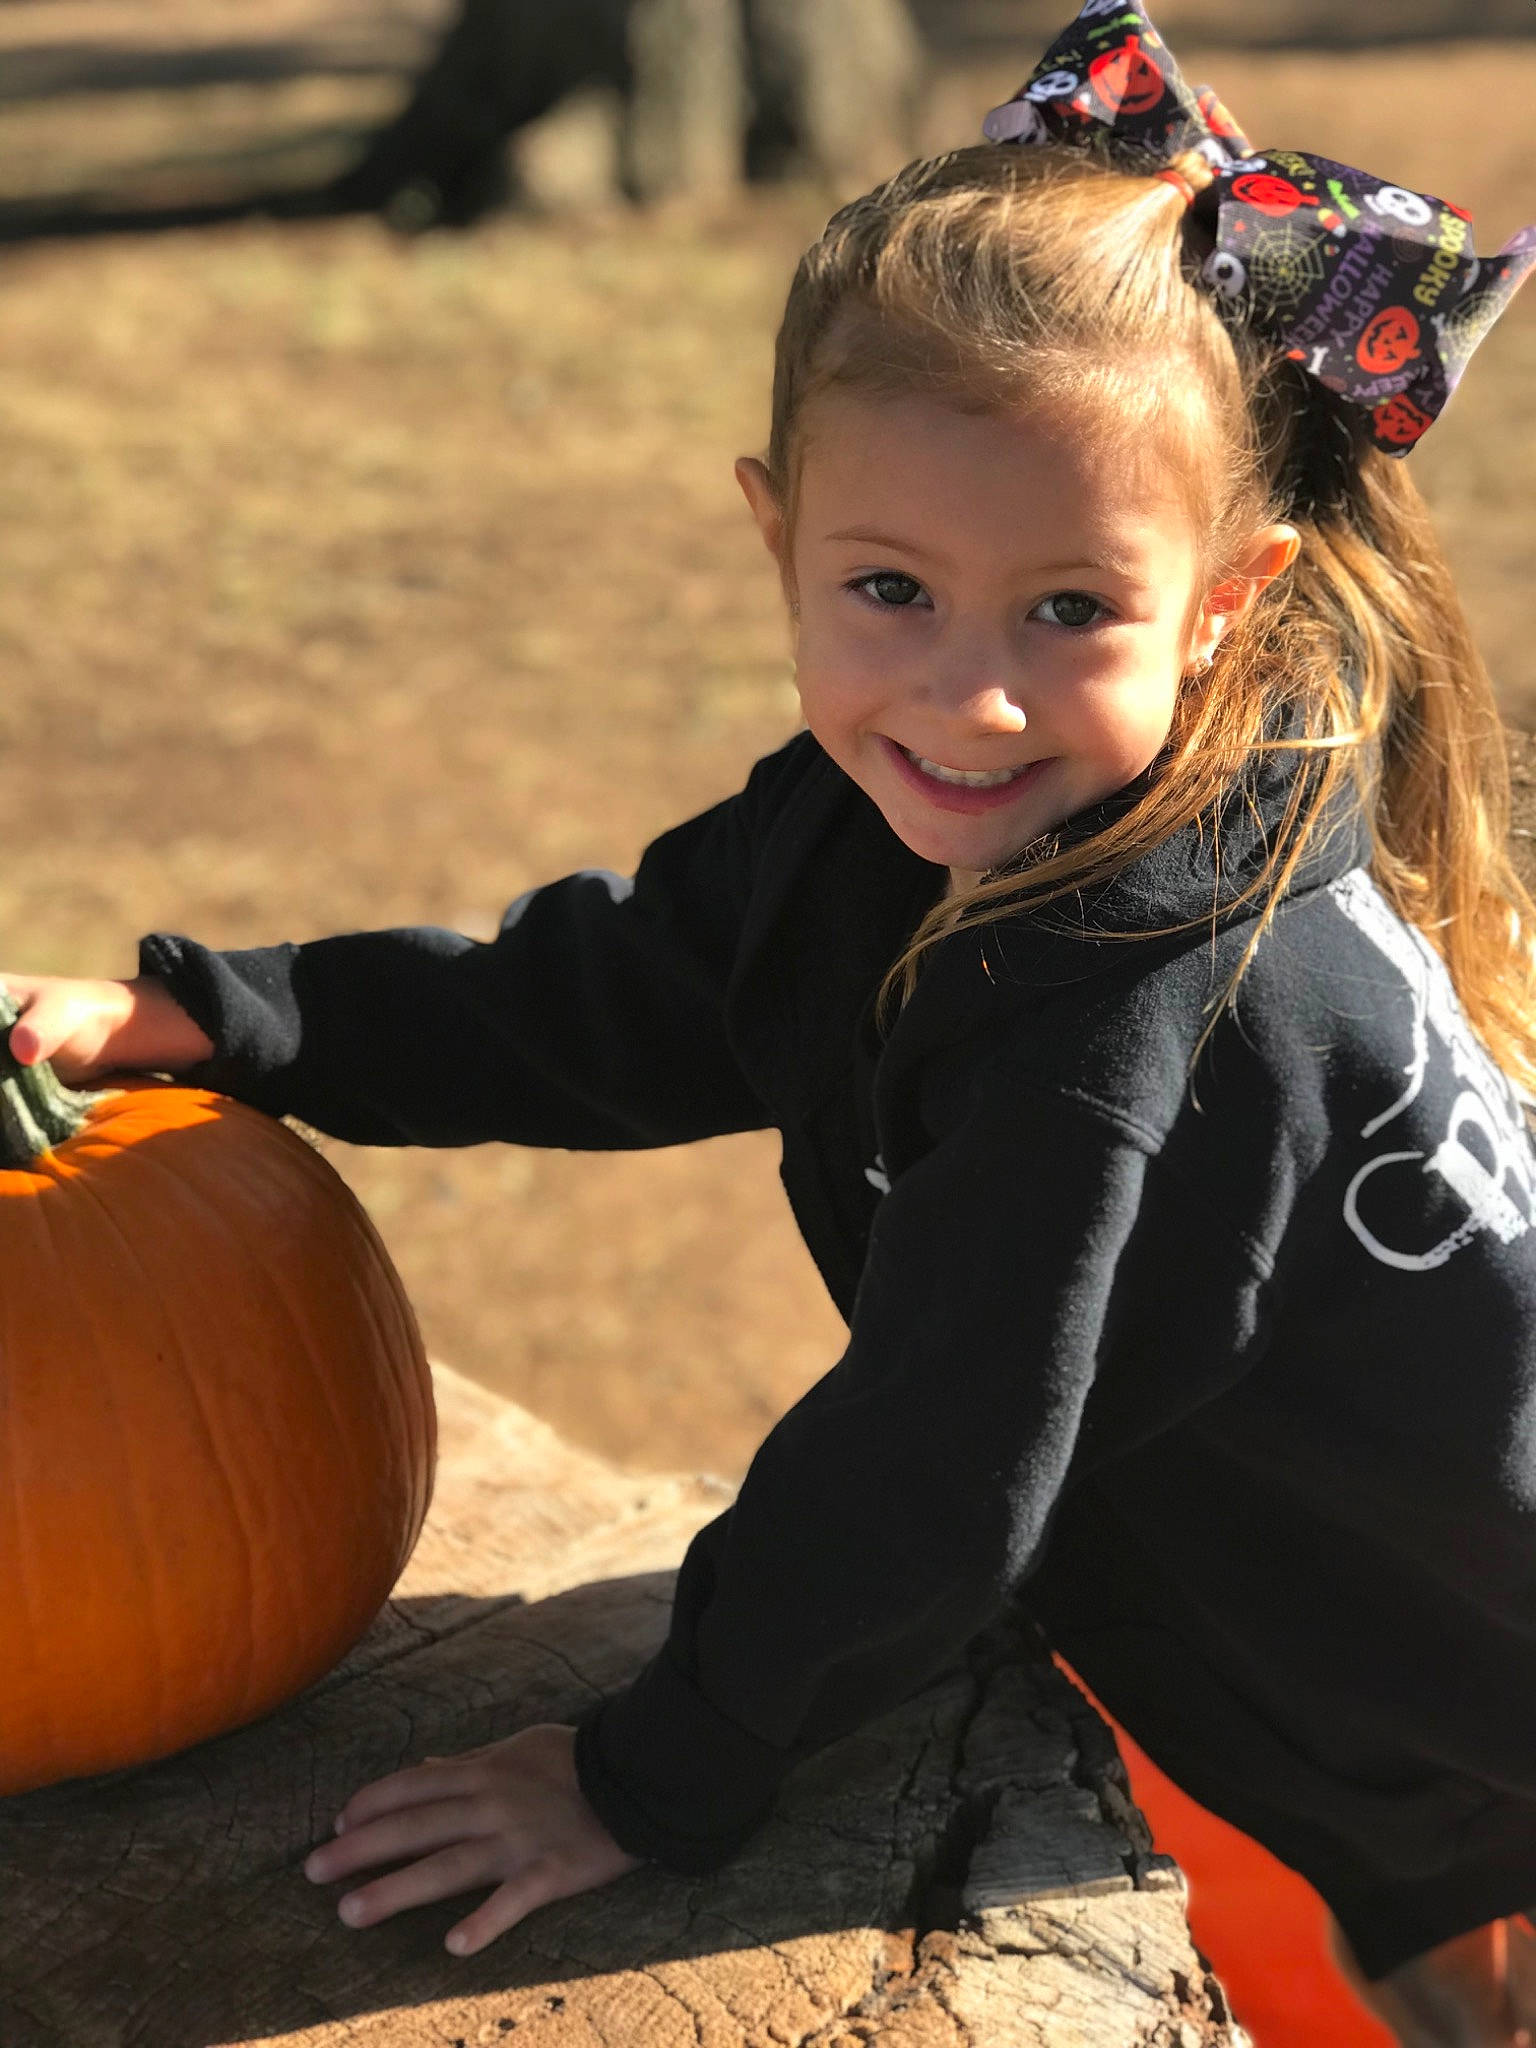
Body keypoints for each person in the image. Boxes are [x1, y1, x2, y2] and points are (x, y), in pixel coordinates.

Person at [6, 1, 1536, 2033]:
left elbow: (932, 1469)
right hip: (1325, 1625)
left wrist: (645, 1776)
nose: (968, 693)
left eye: (1070, 608)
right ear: (777, 535)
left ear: (1225, 602)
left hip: (1456, 1673)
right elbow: (598, 998)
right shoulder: (874, 831)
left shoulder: (1147, 1022)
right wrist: (227, 1019)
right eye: (889, 590)